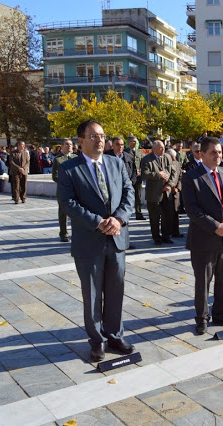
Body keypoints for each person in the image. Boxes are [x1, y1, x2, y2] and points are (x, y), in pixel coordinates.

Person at [57, 119, 135, 362]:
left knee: (115, 290)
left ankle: (114, 334)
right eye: (93, 136)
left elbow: (129, 192)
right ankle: (97, 340)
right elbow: (68, 202)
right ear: (81, 141)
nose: (100, 140)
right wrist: (98, 221)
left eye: (102, 135)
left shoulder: (115, 163)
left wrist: (119, 220)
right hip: (89, 241)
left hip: (116, 239)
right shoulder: (69, 169)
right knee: (92, 293)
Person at [181, 137, 223, 335]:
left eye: (219, 152)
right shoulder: (192, 177)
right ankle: (202, 318)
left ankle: (222, 314)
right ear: (202, 154)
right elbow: (192, 209)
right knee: (203, 282)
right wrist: (215, 226)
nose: (218, 156)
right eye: (213, 153)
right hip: (204, 239)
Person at [141, 140, 177, 245]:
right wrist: (158, 175)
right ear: (154, 149)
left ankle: (166, 236)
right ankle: (156, 237)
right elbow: (144, 174)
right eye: (160, 148)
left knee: (168, 216)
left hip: (166, 192)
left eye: (164, 147)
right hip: (154, 194)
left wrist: (169, 184)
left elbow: (173, 172)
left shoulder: (167, 157)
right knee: (154, 217)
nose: (163, 149)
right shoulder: (147, 159)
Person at [52, 139, 77, 242]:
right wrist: (66, 183)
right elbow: (55, 176)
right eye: (67, 144)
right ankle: (63, 234)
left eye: (70, 144)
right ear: (62, 146)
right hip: (63, 190)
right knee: (63, 213)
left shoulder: (76, 158)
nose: (69, 146)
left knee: (76, 213)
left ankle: (76, 233)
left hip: (76, 190)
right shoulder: (58, 160)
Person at [124, 136, 145, 221]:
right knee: (128, 196)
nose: (135, 143)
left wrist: (141, 171)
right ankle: (126, 214)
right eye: (133, 141)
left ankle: (138, 213)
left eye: (136, 141)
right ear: (128, 142)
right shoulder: (125, 152)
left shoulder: (139, 152)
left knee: (138, 196)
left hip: (138, 177)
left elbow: (142, 163)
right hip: (129, 178)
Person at [165, 148, 184, 238]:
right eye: (172, 157)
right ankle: (167, 232)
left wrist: (177, 188)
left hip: (176, 191)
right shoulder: (164, 163)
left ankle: (175, 231)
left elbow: (180, 177)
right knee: (167, 213)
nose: (174, 159)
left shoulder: (177, 163)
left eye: (175, 157)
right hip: (167, 191)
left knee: (176, 212)